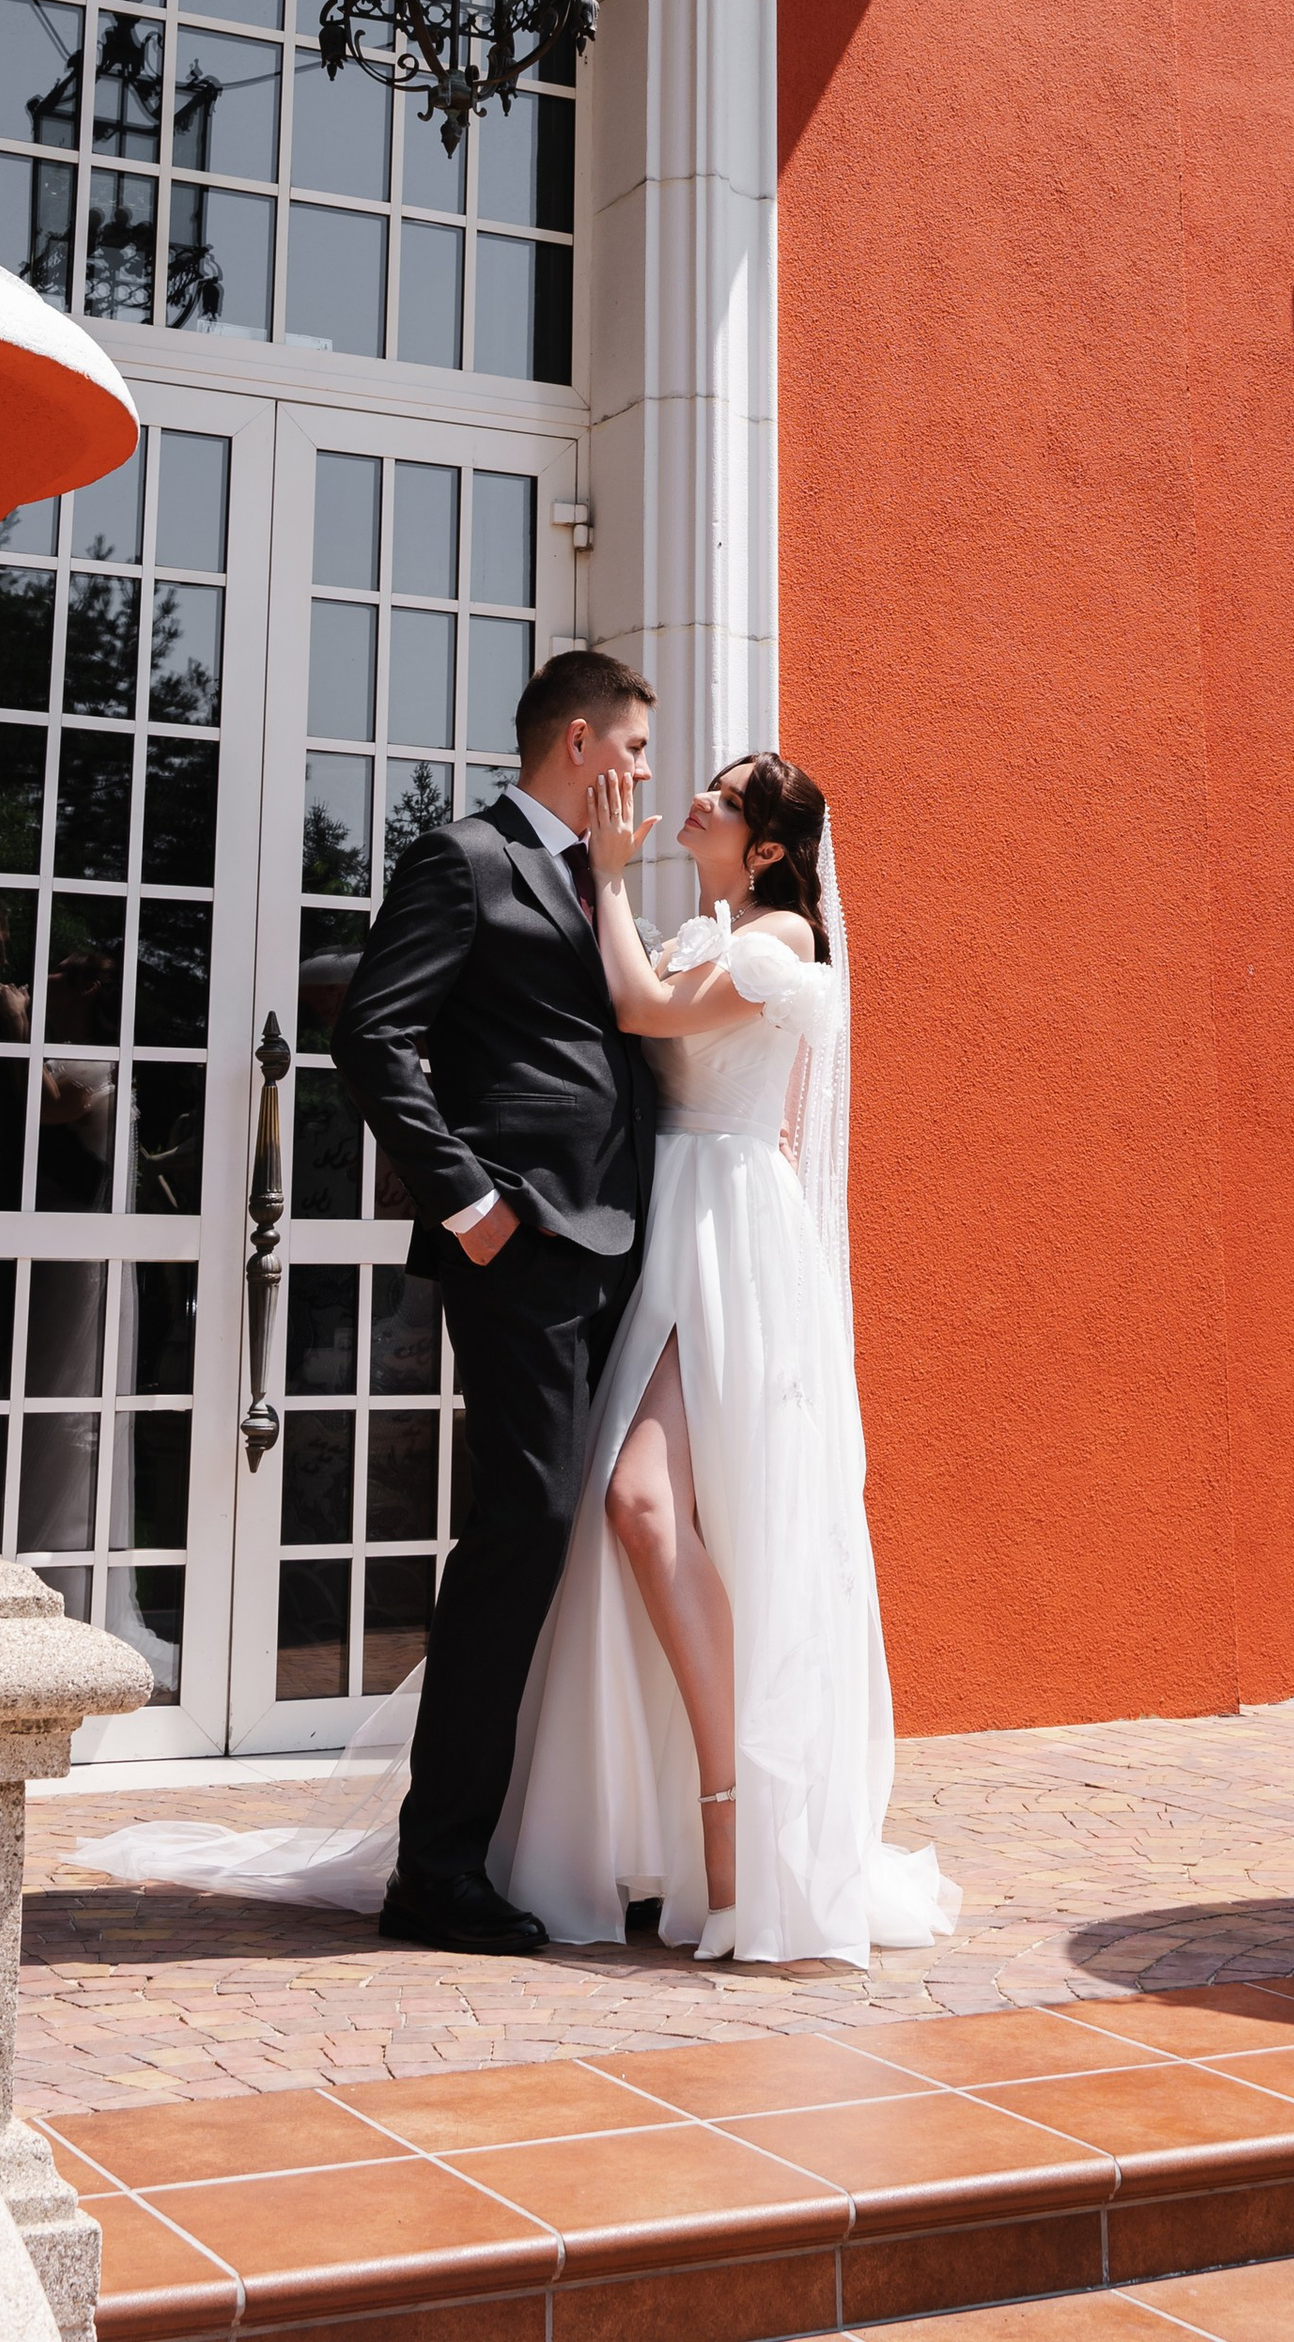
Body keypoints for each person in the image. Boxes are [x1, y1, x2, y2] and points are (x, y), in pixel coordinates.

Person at [493, 753, 954, 1964]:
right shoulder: (706, 925)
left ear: (761, 847)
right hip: (669, 1221)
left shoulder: (782, 940)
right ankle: (673, 1823)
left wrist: (597, 877)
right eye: (706, 781)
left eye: (726, 796)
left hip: (733, 1229)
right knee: (643, 1510)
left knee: (647, 1504)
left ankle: (735, 1817)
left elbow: (643, 1012)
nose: (697, 796)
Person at [321, 646, 659, 1956]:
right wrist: (469, 1202)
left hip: (622, 1252)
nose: (641, 774)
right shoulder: (462, 858)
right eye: (632, 749)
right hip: (518, 1253)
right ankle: (439, 1867)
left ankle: (564, 1841)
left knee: (580, 1541)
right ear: (578, 743)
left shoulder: (599, 882)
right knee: (523, 1532)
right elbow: (372, 1033)